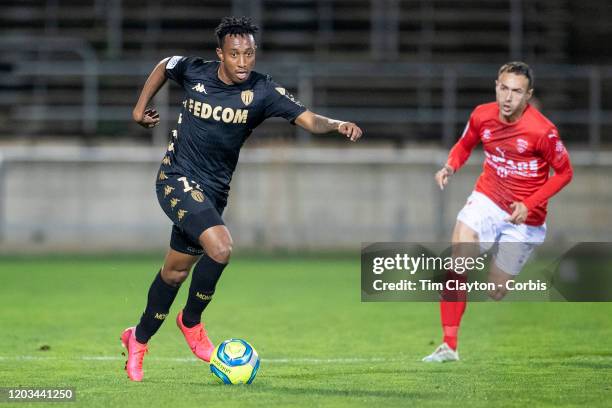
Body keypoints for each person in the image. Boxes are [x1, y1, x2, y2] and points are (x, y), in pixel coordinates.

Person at [121, 16, 363, 381]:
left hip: (214, 192)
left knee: (174, 273)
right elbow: (164, 65)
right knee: (221, 248)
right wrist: (139, 109)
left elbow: (309, 118)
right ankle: (191, 323)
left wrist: (335, 124)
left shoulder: (262, 91)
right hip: (175, 179)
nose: (244, 62)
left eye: (249, 53)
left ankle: (136, 339)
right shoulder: (194, 72)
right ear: (221, 54)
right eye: (235, 54)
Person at [423, 62, 573, 363]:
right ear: (496, 86)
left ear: (528, 95)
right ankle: (448, 345)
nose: (508, 97)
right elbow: (465, 144)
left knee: (496, 288)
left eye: (516, 91)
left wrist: (529, 203)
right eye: (503, 88)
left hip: (526, 217)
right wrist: (450, 165)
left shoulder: (543, 131)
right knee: (457, 261)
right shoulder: (482, 115)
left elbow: (564, 173)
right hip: (488, 198)